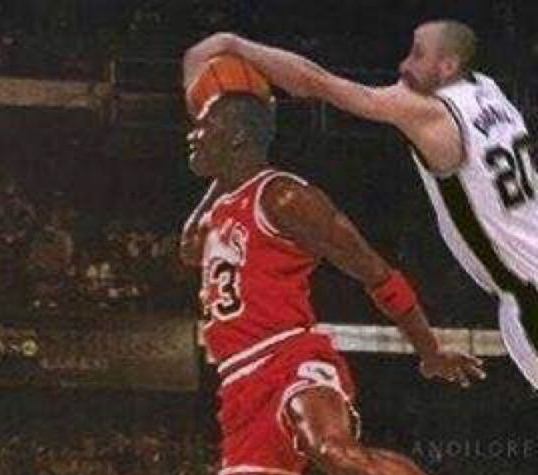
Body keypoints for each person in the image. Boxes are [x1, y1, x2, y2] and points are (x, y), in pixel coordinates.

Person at [179, 69, 538, 475]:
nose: (192, 134)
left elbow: (375, 270)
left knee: (334, 452)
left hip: (291, 354)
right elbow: (187, 249)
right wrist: (223, 166)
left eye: (205, 126)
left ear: (239, 136)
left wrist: (427, 349)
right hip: (237, 386)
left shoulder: (286, 197)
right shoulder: (217, 209)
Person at [186, 22, 538, 395]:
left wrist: (236, 45)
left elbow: (315, 82)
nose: (404, 65)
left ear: (448, 66)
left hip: (527, 291)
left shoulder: (429, 112)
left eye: (418, 55)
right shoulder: (490, 91)